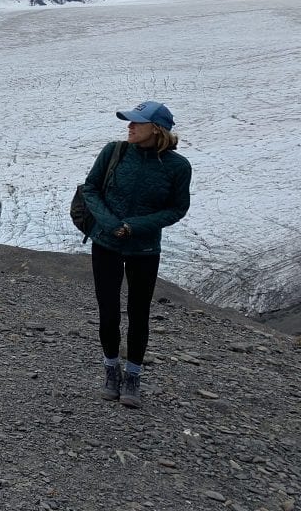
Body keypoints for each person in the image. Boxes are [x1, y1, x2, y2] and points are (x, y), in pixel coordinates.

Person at [79, 101, 191, 408]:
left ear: (156, 129)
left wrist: (134, 226)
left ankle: (133, 375)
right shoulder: (114, 152)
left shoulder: (177, 167)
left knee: (139, 314)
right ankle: (110, 370)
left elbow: (177, 209)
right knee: (109, 311)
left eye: (136, 123)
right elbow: (90, 189)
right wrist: (111, 224)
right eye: (129, 122)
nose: (129, 127)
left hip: (144, 248)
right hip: (106, 243)